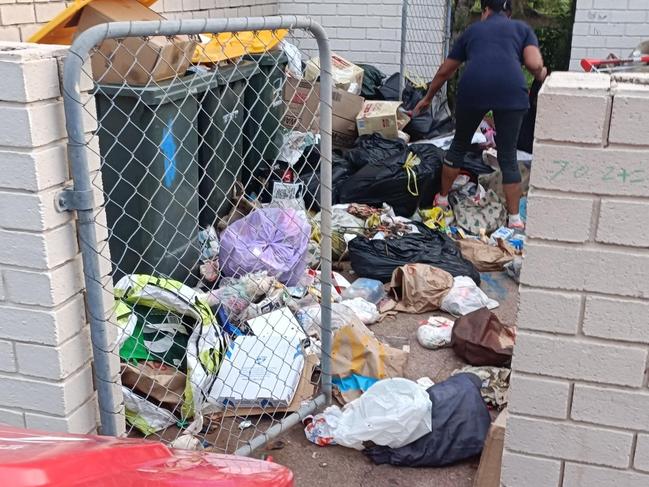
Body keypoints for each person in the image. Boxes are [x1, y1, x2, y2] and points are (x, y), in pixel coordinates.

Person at [414, 0, 547, 230]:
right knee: (507, 156)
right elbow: (534, 63)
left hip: (474, 87)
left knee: (458, 146)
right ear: (509, 13)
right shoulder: (522, 29)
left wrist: (427, 98)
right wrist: (541, 73)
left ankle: (442, 200)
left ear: (485, 11)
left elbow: (446, 70)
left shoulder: (473, 30)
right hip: (511, 91)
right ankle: (515, 219)